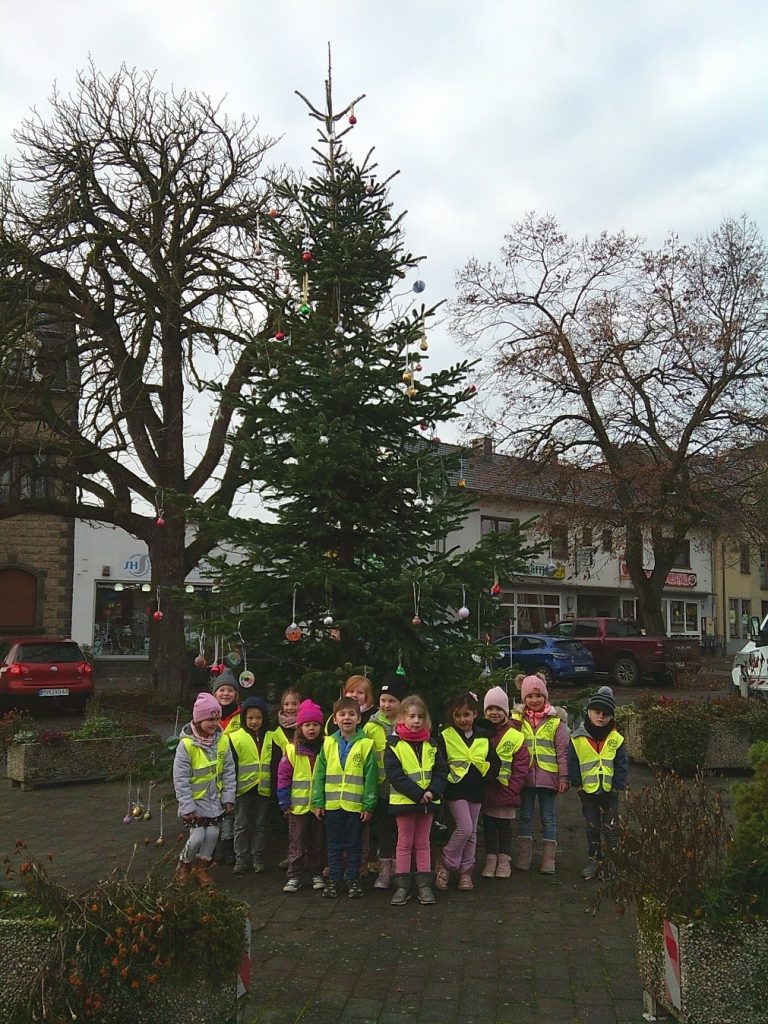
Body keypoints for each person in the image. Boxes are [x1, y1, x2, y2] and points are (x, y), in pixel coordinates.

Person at [384, 695, 448, 906]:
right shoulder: (394, 744)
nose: (416, 721)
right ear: (402, 718)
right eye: (411, 716)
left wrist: (433, 791)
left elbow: (441, 771)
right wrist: (418, 793)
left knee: (423, 842)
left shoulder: (431, 743)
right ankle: (402, 885)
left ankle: (424, 884)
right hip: (404, 803)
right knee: (404, 843)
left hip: (427, 803)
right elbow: (395, 775)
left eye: (420, 716)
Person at [311, 696, 377, 899]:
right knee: (334, 845)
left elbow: (370, 777)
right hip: (332, 805)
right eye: (342, 714)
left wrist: (368, 805)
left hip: (355, 806)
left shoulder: (366, 744)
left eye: (351, 714)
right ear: (335, 719)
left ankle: (353, 879)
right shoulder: (328, 743)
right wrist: (318, 801)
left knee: (354, 845)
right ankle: (335, 879)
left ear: (359, 718)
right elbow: (319, 774)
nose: (347, 718)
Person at [435, 691, 500, 892]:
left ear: (475, 714)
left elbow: (495, 762)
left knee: (472, 834)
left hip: (476, 790)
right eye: (458, 715)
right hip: (455, 789)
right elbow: (439, 762)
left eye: (466, 715)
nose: (463, 720)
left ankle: (466, 871)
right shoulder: (446, 736)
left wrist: (485, 778)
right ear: (452, 716)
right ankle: (447, 862)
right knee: (464, 827)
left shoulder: (483, 737)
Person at [172, 691, 236, 888]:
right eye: (209, 719)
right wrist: (187, 805)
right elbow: (181, 779)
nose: (214, 724)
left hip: (214, 800)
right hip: (194, 802)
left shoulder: (222, 741)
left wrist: (228, 797)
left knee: (213, 835)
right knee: (197, 837)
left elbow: (229, 770)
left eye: (216, 719)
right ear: (198, 720)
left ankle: (201, 869)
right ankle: (184, 865)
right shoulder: (187, 745)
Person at [568, 686, 627, 880]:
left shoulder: (616, 739)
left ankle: (612, 862)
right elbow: (573, 763)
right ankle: (594, 859)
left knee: (611, 829)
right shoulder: (577, 738)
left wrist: (617, 787)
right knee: (592, 828)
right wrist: (578, 786)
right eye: (597, 712)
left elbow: (621, 764)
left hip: (610, 793)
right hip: (588, 793)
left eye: (606, 714)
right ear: (589, 712)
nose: (600, 717)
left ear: (612, 716)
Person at [512, 675, 570, 874]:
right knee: (525, 816)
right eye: (529, 696)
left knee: (548, 816)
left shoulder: (556, 722)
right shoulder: (517, 720)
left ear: (545, 696)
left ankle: (548, 859)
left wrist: (564, 777)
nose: (534, 700)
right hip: (525, 777)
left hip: (548, 777)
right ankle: (524, 856)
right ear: (523, 698)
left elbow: (562, 752)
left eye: (538, 696)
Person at [277, 699, 326, 893]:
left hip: (319, 806)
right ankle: (294, 876)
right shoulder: (291, 750)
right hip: (297, 807)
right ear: (300, 727)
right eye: (307, 725)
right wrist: (284, 800)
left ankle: (316, 873)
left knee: (317, 842)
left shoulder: (326, 748)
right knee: (296, 843)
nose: (311, 729)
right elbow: (283, 777)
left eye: (315, 725)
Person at [480, 686, 530, 878]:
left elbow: (521, 766)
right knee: (489, 827)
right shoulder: (480, 733)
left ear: (506, 711)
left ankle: (504, 860)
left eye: (498, 709)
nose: (494, 713)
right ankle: (491, 859)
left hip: (506, 790)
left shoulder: (515, 736)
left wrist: (513, 788)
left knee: (504, 827)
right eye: (490, 709)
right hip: (487, 790)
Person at [365, 673, 407, 890]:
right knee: (384, 830)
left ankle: (400, 871)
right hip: (381, 788)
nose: (386, 705)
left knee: (401, 831)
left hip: (402, 790)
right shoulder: (371, 726)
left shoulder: (407, 723)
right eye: (383, 700)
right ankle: (384, 871)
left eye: (392, 700)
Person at [227, 695, 273, 875]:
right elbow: (230, 766)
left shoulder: (270, 737)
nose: (254, 721)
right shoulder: (235, 737)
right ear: (244, 718)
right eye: (250, 718)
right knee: (241, 824)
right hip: (243, 789)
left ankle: (258, 857)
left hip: (263, 788)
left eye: (258, 717)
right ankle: (241, 858)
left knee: (260, 824)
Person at [211, 670, 241, 864]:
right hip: (211, 771)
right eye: (222, 690)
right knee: (212, 810)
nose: (225, 694)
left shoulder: (242, 716)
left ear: (236, 694)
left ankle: (228, 846)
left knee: (230, 811)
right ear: (215, 693)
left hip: (234, 769)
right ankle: (210, 848)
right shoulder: (208, 715)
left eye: (230, 690)